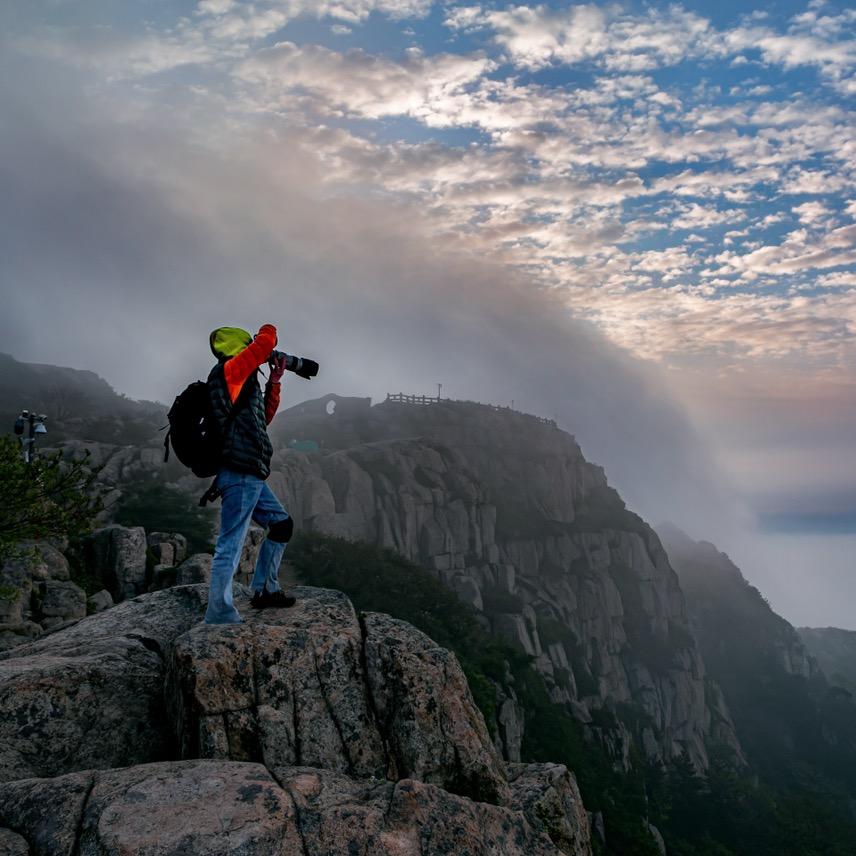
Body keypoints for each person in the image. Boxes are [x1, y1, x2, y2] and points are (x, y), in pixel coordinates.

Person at [204, 323, 295, 624]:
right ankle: (219, 613)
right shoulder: (229, 370)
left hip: (249, 472)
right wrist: (267, 331)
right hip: (240, 472)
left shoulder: (242, 380)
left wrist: (275, 381)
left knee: (281, 525)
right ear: (240, 346)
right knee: (230, 543)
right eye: (250, 346)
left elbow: (261, 418)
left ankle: (265, 590)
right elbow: (263, 345)